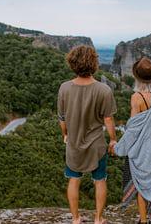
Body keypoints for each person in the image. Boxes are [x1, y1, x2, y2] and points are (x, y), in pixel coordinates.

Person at [57, 45, 117, 224]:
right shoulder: (103, 90)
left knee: (74, 181)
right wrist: (113, 139)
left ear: (72, 63)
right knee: (100, 181)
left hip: (74, 144)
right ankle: (98, 219)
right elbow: (108, 120)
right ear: (94, 63)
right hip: (97, 145)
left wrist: (65, 135)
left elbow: (62, 119)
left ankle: (76, 219)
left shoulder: (64, 88)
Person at [113, 57, 151, 224]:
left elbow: (132, 131)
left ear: (137, 77)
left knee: (140, 186)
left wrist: (118, 148)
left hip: (141, 151)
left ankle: (144, 220)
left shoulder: (136, 98)